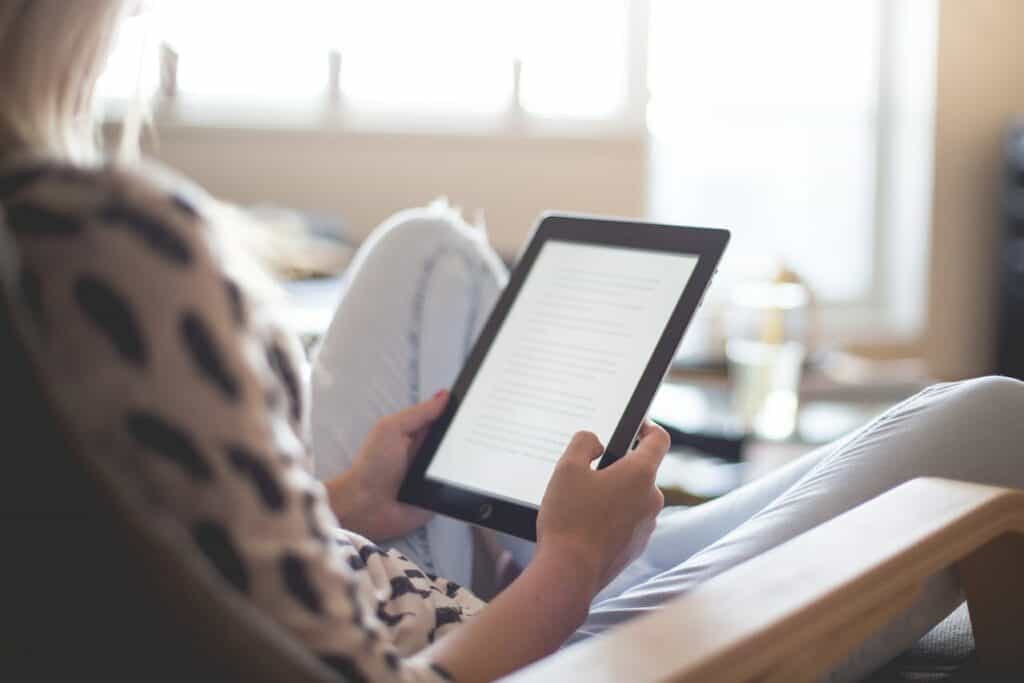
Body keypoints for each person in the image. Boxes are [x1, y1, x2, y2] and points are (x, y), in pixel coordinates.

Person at [1, 2, 1022, 681]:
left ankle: (547, 531)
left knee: (428, 249)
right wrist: (566, 569)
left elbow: (196, 552)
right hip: (526, 650)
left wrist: (352, 499)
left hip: (379, 566)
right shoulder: (95, 243)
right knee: (994, 417)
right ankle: (580, 549)